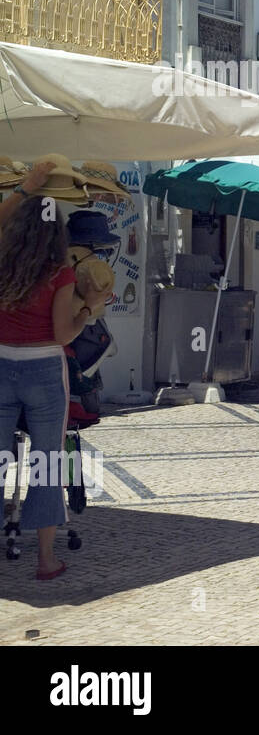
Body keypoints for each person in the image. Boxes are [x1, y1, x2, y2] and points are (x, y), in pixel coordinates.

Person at [0, 187, 112, 580]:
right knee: (47, 461)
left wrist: (29, 184)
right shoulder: (59, 272)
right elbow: (64, 334)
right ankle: (45, 559)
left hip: (1, 363)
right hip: (44, 369)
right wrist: (87, 312)